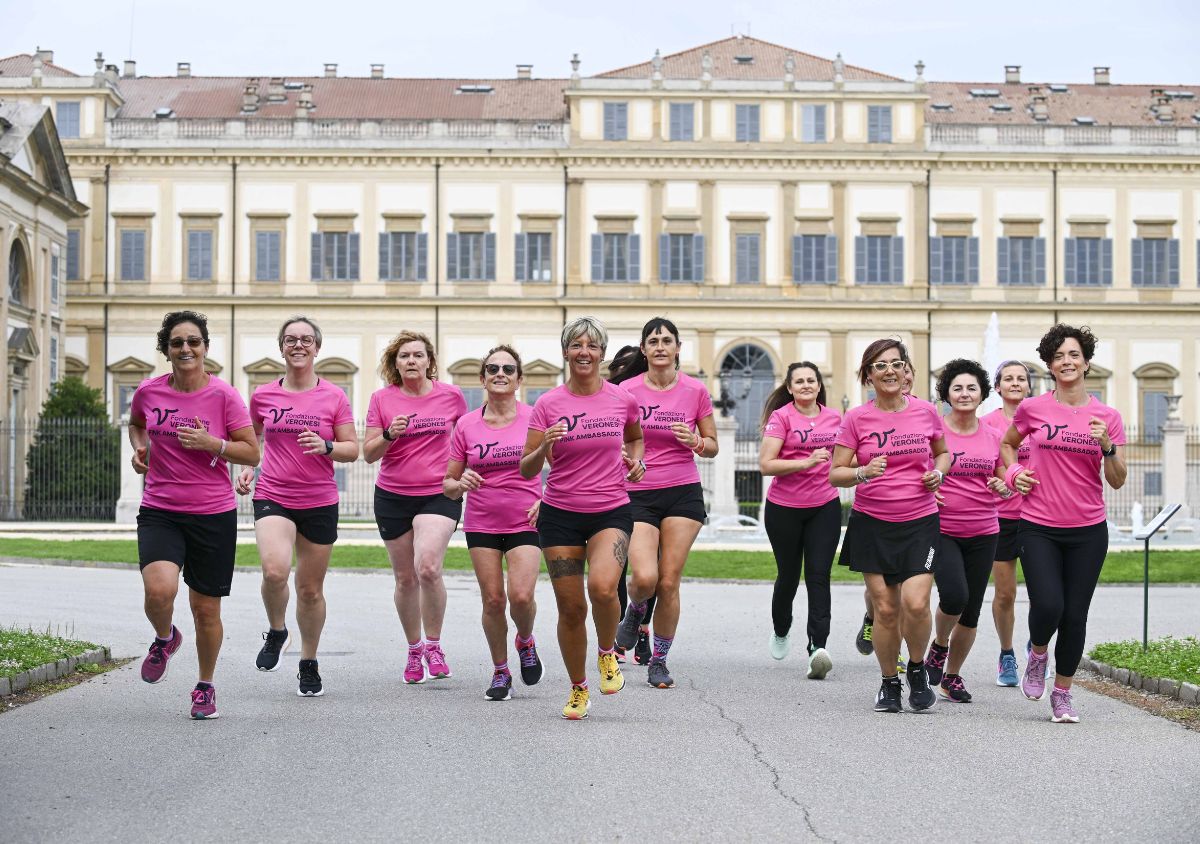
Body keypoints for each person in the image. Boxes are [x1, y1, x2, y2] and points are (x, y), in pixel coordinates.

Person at [130, 310, 259, 720]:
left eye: (193, 342)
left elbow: (251, 451)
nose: (186, 348)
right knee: (159, 592)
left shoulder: (224, 396)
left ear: (204, 348)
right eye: (177, 343)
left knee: (206, 610)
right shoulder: (148, 393)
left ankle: (205, 686)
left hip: (212, 514)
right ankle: (165, 637)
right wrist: (141, 449)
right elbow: (136, 424)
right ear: (166, 350)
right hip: (160, 510)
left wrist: (212, 443)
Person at [521, 316, 645, 719]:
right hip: (560, 515)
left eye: (592, 346)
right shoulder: (548, 404)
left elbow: (635, 437)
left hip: (611, 509)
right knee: (571, 608)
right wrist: (545, 448)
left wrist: (636, 462)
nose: (584, 352)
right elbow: (525, 468)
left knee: (605, 587)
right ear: (565, 352)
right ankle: (578, 689)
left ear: (602, 354)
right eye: (577, 345)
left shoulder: (621, 399)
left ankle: (607, 652)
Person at [1002, 324, 1126, 723]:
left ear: (1086, 362)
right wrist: (1012, 474)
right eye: (1058, 357)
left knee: (1075, 614)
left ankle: (1063, 693)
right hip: (1038, 524)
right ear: (1050, 366)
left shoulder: (1107, 416)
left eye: (1073, 355)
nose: (1067, 362)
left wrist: (1107, 446)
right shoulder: (1033, 409)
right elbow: (1007, 445)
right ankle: (1038, 654)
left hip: (1088, 529)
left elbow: (1118, 479)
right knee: (1049, 604)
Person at [235, 316, 359, 697]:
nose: (299, 345)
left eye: (306, 340)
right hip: (273, 493)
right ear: (282, 347)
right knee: (274, 572)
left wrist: (326, 447)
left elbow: (352, 449)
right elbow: (251, 438)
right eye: (291, 340)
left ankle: (309, 661)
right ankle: (276, 630)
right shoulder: (262, 396)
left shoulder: (334, 397)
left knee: (309, 590)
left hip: (319, 499)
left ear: (317, 348)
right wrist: (246, 467)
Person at [831, 339, 949, 713]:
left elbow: (944, 453)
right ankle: (888, 683)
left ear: (905, 370)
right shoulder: (856, 419)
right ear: (868, 375)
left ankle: (916, 669)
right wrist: (863, 472)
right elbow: (836, 473)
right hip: (872, 523)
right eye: (880, 366)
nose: (890, 371)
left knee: (915, 603)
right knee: (884, 608)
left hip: (920, 520)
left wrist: (938, 474)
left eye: (896, 364)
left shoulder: (926, 412)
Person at [609, 318, 716, 689]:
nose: (659, 346)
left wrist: (696, 442)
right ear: (643, 349)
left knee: (669, 582)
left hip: (683, 491)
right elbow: (611, 439)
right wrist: (624, 456)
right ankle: (635, 610)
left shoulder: (695, 391)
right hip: (637, 491)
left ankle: (659, 659)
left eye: (666, 340)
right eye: (652, 341)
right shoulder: (625, 390)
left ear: (677, 348)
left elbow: (713, 445)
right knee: (644, 576)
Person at [364, 331, 467, 684]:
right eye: (404, 356)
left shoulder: (451, 396)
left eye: (418, 355)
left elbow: (466, 442)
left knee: (427, 567)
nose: (411, 361)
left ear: (429, 361)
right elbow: (368, 454)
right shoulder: (381, 399)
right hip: (392, 495)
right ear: (395, 363)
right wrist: (390, 434)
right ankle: (413, 649)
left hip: (439, 492)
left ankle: (434, 645)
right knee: (405, 577)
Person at [444, 345, 544, 702]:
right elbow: (448, 484)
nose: (500, 373)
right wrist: (461, 484)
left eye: (508, 368)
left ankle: (526, 640)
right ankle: (501, 671)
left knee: (520, 596)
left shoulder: (535, 418)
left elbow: (564, 467)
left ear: (519, 379)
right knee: (492, 601)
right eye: (492, 368)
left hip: (525, 520)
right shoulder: (466, 425)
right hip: (482, 522)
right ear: (482, 378)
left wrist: (545, 500)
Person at [920, 359, 1011, 703]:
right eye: (957, 387)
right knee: (954, 596)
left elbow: (1002, 474)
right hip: (942, 528)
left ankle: (952, 677)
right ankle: (939, 645)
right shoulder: (935, 432)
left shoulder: (993, 435)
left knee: (971, 610)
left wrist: (1003, 487)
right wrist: (928, 486)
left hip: (985, 530)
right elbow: (918, 471)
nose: (964, 393)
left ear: (982, 394)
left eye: (971, 387)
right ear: (947, 394)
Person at [758, 361, 841, 680]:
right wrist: (807, 462)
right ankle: (781, 630)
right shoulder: (781, 418)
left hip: (824, 506)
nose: (806, 385)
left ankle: (817, 649)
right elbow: (766, 465)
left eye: (811, 380)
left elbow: (849, 454)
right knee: (789, 576)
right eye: (799, 381)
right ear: (790, 388)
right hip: (783, 509)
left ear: (820, 386)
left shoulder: (835, 418)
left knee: (819, 575)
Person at [982, 360, 1034, 687]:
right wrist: (994, 481)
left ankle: (1038, 641)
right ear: (998, 387)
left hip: (1037, 517)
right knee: (1005, 594)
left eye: (1021, 378)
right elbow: (979, 463)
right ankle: (1007, 654)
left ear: (1029, 386)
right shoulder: (986, 424)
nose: (1015, 383)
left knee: (1045, 595)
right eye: (1008, 379)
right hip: (1001, 517)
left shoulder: (1042, 420)